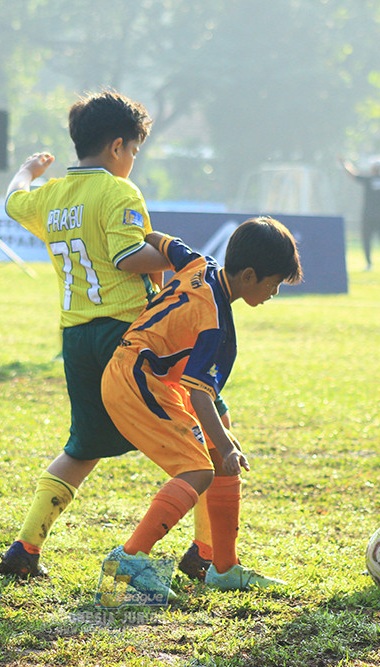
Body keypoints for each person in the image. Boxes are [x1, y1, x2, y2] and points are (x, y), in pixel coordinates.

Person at [0, 91, 220, 582]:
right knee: (203, 437)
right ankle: (206, 553)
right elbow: (127, 258)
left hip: (76, 337)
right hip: (128, 336)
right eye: (134, 150)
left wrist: (29, 170)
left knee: (83, 446)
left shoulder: (51, 197)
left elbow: (12, 201)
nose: (133, 160)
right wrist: (184, 261)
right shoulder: (118, 193)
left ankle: (25, 547)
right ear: (117, 146)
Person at [100, 218, 302, 595]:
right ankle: (127, 563)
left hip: (142, 375)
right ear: (249, 275)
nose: (274, 293)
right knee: (199, 470)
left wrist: (137, 232)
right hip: (137, 382)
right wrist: (226, 444)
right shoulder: (216, 325)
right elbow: (198, 395)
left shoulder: (201, 264)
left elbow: (163, 242)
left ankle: (224, 568)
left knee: (215, 450)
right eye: (273, 284)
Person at [340, 156, 380, 271]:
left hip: (368, 215)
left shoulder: (369, 180)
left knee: (367, 240)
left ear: (372, 169)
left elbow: (353, 174)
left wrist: (345, 163)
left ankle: (369, 264)